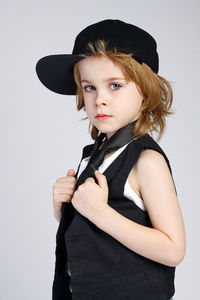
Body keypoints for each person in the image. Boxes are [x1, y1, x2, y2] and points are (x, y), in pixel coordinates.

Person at [35, 19, 186, 300]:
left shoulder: (147, 162)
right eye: (89, 87)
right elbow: (91, 234)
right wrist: (64, 209)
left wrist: (101, 213)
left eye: (115, 85)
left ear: (145, 91)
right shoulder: (94, 156)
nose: (100, 99)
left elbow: (173, 249)